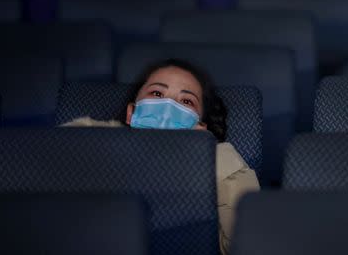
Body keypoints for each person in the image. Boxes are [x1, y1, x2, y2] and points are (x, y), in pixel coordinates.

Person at [62, 58, 259, 255]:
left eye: (186, 101)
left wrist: (210, 155)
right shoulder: (92, 147)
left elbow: (249, 243)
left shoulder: (219, 168)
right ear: (131, 113)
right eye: (157, 93)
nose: (168, 105)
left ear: (201, 126)